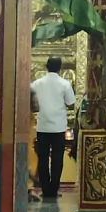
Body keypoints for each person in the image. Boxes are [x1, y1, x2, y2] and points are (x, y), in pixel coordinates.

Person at [30, 56, 75, 200]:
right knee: (57, 159)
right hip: (59, 126)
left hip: (42, 126)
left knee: (42, 159)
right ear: (60, 67)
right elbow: (71, 104)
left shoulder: (37, 83)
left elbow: (32, 101)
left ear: (46, 66)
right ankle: (53, 190)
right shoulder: (65, 84)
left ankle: (45, 189)